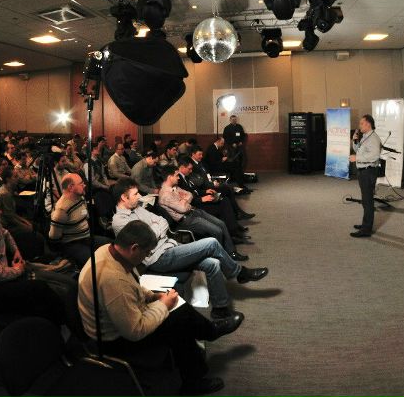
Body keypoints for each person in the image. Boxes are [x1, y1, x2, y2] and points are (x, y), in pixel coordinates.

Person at [78, 220, 243, 395]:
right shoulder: (113, 281)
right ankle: (195, 375)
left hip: (118, 320)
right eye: (146, 253)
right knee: (179, 322)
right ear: (134, 248)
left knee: (178, 311)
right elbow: (134, 331)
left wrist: (152, 296)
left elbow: (132, 286)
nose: (145, 258)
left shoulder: (109, 251)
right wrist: (163, 305)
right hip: (113, 341)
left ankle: (207, 334)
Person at [111, 178, 267, 319]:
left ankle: (220, 309)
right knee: (211, 243)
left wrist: (154, 229)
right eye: (135, 194)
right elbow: (147, 239)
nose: (139, 196)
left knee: (213, 264)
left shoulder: (137, 209)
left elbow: (163, 221)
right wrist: (155, 229)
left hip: (169, 247)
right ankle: (239, 273)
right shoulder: (119, 221)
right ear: (124, 197)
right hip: (158, 258)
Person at [0, 193, 66, 326]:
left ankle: (50, 323)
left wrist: (16, 251)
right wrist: (19, 270)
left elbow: (6, 234)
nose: (0, 212)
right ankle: (60, 324)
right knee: (39, 289)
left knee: (40, 289)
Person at [158, 168, 247, 261]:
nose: (178, 178)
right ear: (170, 177)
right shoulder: (165, 195)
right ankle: (222, 257)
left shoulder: (174, 187)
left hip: (193, 212)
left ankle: (231, 252)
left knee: (221, 223)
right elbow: (183, 208)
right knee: (217, 231)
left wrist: (184, 200)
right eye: (176, 175)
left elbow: (190, 194)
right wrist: (185, 200)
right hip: (185, 220)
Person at [48, 173, 111, 267]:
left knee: (111, 245)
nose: (84, 185)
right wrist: (64, 253)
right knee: (94, 262)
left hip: (86, 238)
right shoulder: (61, 210)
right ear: (71, 187)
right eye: (81, 183)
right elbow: (54, 237)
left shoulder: (80, 197)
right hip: (72, 243)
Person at [349, 114, 382, 238]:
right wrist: (354, 141)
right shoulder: (366, 136)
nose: (360, 125)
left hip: (368, 172)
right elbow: (358, 150)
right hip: (363, 171)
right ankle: (365, 224)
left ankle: (366, 230)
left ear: (368, 124)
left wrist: (356, 158)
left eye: (361, 123)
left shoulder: (373, 138)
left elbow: (374, 156)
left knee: (368, 201)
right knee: (365, 200)